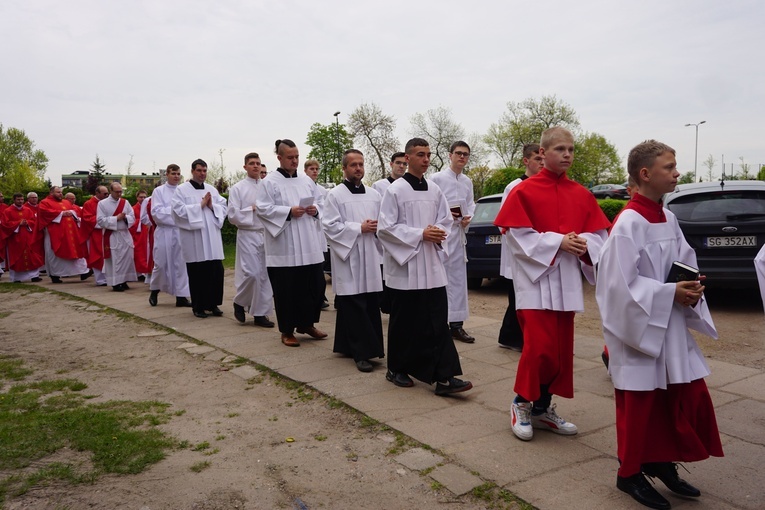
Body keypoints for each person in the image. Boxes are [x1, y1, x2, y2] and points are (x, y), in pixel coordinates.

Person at [595, 140, 723, 510]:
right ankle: (629, 474)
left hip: (669, 327)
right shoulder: (627, 223)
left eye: (675, 166)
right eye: (669, 167)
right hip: (638, 333)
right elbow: (616, 288)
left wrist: (693, 286)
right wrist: (669, 293)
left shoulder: (668, 218)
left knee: (677, 397)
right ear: (645, 174)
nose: (677, 173)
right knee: (640, 405)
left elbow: (684, 260)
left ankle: (660, 462)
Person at [493, 127, 609, 441]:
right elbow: (517, 236)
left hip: (567, 280)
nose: (567, 155)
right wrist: (559, 242)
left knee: (559, 351)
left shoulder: (581, 194)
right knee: (538, 348)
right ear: (543, 153)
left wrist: (583, 244)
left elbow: (601, 237)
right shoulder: (523, 191)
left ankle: (543, 408)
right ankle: (521, 404)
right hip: (535, 282)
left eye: (571, 149)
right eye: (560, 149)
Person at [377, 137, 473, 396]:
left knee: (436, 322)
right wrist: (420, 234)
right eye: (421, 154)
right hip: (406, 267)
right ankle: (396, 368)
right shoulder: (395, 190)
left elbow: (446, 220)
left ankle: (445, 376)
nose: (426, 159)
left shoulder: (434, 189)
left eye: (429, 154)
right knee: (403, 322)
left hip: (431, 265)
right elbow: (385, 228)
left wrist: (437, 231)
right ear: (407, 158)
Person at [255, 139, 327, 347]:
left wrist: (315, 210)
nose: (295, 160)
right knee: (287, 289)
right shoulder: (270, 182)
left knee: (313, 285)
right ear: (279, 158)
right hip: (285, 246)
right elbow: (263, 209)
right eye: (290, 157)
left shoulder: (306, 181)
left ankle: (307, 324)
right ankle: (287, 330)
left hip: (308, 243)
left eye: (297, 156)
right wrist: (288, 212)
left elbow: (321, 202)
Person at [323, 149, 385, 372]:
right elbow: (329, 226)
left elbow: (384, 222)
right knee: (353, 303)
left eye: (361, 164)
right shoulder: (335, 195)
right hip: (348, 256)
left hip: (370, 254)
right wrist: (359, 228)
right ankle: (362, 353)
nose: (358, 168)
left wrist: (377, 228)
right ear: (344, 168)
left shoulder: (374, 194)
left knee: (369, 302)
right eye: (353, 165)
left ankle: (346, 345)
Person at [497, 144, 544, 351]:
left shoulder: (545, 185)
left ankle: (512, 336)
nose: (542, 163)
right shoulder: (513, 186)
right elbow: (504, 220)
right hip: (519, 248)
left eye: (543, 159)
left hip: (540, 246)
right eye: (537, 159)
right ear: (526, 161)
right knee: (517, 295)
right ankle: (514, 338)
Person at [429, 141, 476, 343]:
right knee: (439, 279)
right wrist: (445, 216)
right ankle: (437, 324)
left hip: (458, 235)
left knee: (457, 280)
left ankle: (456, 325)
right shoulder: (436, 178)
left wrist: (468, 217)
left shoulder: (467, 181)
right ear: (450, 155)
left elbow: (471, 204)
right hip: (440, 236)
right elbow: (431, 203)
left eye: (466, 154)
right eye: (458, 153)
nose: (462, 157)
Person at [172, 159, 227, 318]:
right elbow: (177, 211)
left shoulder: (212, 190)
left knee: (216, 271)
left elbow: (223, 207)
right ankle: (198, 306)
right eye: (199, 170)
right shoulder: (182, 190)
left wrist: (211, 206)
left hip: (212, 237)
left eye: (204, 170)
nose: (202, 173)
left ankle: (213, 304)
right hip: (194, 238)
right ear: (192, 171)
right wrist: (200, 205)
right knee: (198, 273)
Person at [227, 152, 274, 327]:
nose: (256, 166)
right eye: (252, 163)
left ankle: (260, 314)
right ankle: (239, 301)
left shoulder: (267, 186)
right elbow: (232, 215)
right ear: (245, 167)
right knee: (252, 274)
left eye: (258, 163)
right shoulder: (237, 188)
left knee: (264, 276)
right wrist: (251, 209)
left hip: (266, 233)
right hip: (247, 233)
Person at [148, 164, 191, 308]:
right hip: (164, 231)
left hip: (180, 232)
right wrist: (177, 213)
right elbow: (157, 213)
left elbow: (188, 212)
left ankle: (181, 296)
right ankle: (154, 290)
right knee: (160, 263)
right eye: (173, 173)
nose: (176, 176)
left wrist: (179, 213)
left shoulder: (183, 191)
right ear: (167, 174)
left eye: (178, 173)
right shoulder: (159, 191)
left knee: (181, 264)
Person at [36, 186, 91, 283]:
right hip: (55, 233)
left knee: (75, 251)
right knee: (54, 254)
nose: (60, 194)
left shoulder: (66, 202)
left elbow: (74, 211)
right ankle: (55, 275)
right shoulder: (45, 202)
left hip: (71, 233)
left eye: (61, 192)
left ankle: (83, 272)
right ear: (51, 193)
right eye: (58, 192)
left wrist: (71, 213)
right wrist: (61, 214)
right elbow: (44, 213)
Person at [97, 182, 137, 292]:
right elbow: (100, 220)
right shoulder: (102, 204)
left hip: (124, 233)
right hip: (112, 235)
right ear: (111, 191)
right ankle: (115, 282)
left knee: (127, 257)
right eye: (117, 192)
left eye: (121, 191)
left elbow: (132, 216)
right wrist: (116, 218)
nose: (119, 194)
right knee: (115, 259)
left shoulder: (125, 202)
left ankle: (124, 280)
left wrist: (125, 218)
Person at [304, 159, 330, 309]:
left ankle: (320, 296)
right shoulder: (301, 185)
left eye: (317, 169)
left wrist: (316, 211)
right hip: (306, 230)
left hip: (318, 229)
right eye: (311, 169)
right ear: (306, 170)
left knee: (319, 266)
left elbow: (325, 208)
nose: (314, 171)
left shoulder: (322, 190)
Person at [0, 193, 44, 282]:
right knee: (17, 258)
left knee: (32, 256)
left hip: (28, 237)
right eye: (18, 200)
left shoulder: (28, 210)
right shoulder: (8, 211)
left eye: (22, 199)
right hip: (15, 239)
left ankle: (34, 276)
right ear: (14, 200)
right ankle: (17, 278)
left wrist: (27, 222)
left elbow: (34, 221)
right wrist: (18, 223)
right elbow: (4, 224)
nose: (20, 201)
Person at [80, 186, 109, 286]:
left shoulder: (107, 203)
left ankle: (109, 278)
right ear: (97, 193)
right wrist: (105, 222)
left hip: (107, 231)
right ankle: (100, 279)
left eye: (107, 193)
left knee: (108, 255)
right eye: (104, 193)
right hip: (96, 233)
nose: (107, 195)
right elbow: (88, 218)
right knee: (98, 255)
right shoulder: (89, 204)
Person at [130, 190, 153, 282]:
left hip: (148, 232)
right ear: (137, 198)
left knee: (147, 252)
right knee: (139, 253)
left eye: (144, 197)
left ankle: (145, 271)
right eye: (141, 197)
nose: (143, 199)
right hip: (138, 234)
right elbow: (131, 220)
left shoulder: (149, 206)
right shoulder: (133, 208)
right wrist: (139, 222)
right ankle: (139, 273)